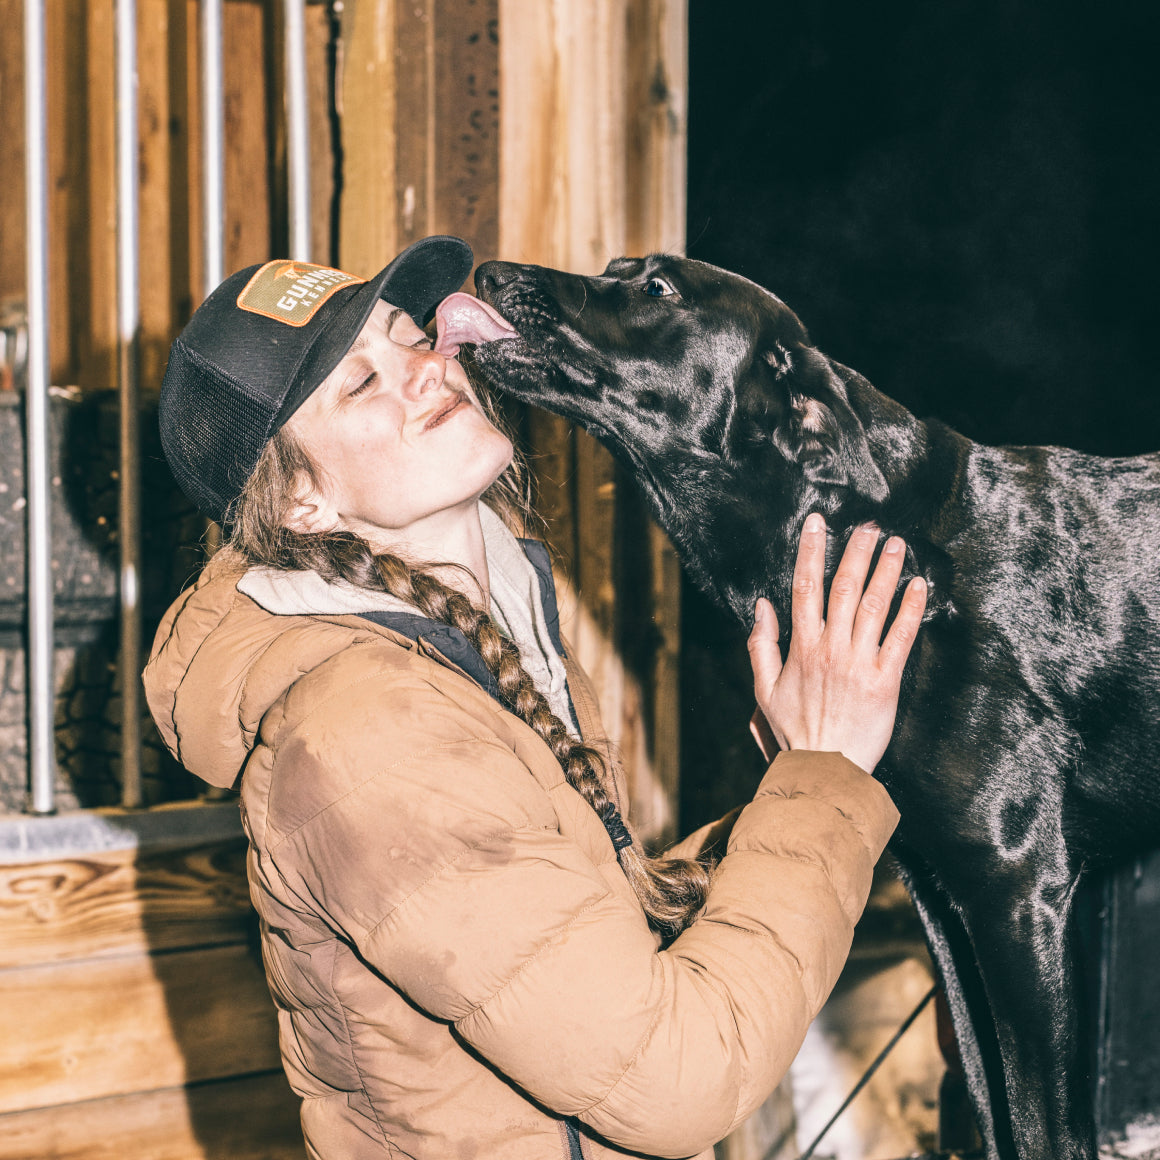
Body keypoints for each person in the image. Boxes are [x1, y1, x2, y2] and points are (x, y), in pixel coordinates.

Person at [144, 235, 927, 1160]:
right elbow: (676, 1079)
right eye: (358, 384)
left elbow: (581, 947)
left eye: (408, 338)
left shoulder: (473, 635)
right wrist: (820, 782)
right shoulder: (371, 734)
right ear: (301, 504)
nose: (428, 372)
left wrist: (791, 794)